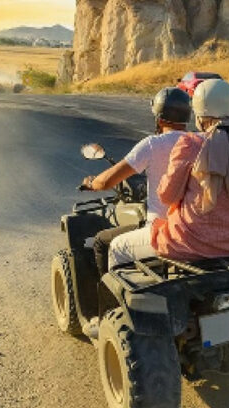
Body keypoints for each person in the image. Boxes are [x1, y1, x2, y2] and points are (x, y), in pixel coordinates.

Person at [151, 79, 229, 261]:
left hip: (186, 245)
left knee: (117, 248)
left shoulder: (190, 145)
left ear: (199, 116)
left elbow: (167, 196)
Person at [81, 87, 192, 277]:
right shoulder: (199, 141)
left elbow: (106, 181)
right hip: (195, 228)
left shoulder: (152, 144)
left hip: (163, 231)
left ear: (159, 117)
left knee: (103, 242)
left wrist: (92, 183)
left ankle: (110, 304)